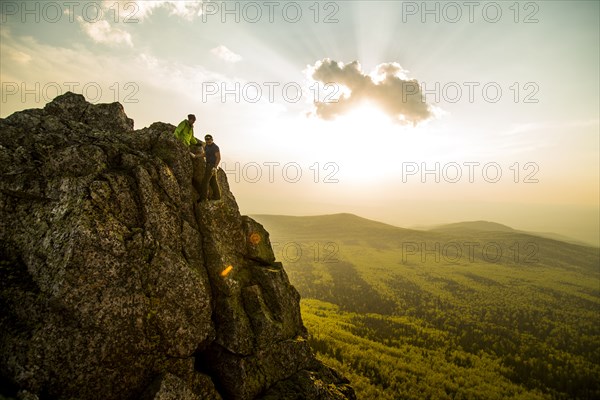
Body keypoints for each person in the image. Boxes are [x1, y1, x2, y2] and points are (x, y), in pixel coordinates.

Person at [200, 134, 221, 202]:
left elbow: (218, 157)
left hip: (211, 166)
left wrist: (215, 167)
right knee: (213, 181)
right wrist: (195, 156)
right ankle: (217, 196)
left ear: (212, 139)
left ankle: (203, 198)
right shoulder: (206, 147)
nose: (207, 141)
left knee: (205, 181)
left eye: (209, 139)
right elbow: (205, 154)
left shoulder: (215, 147)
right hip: (208, 165)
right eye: (206, 139)